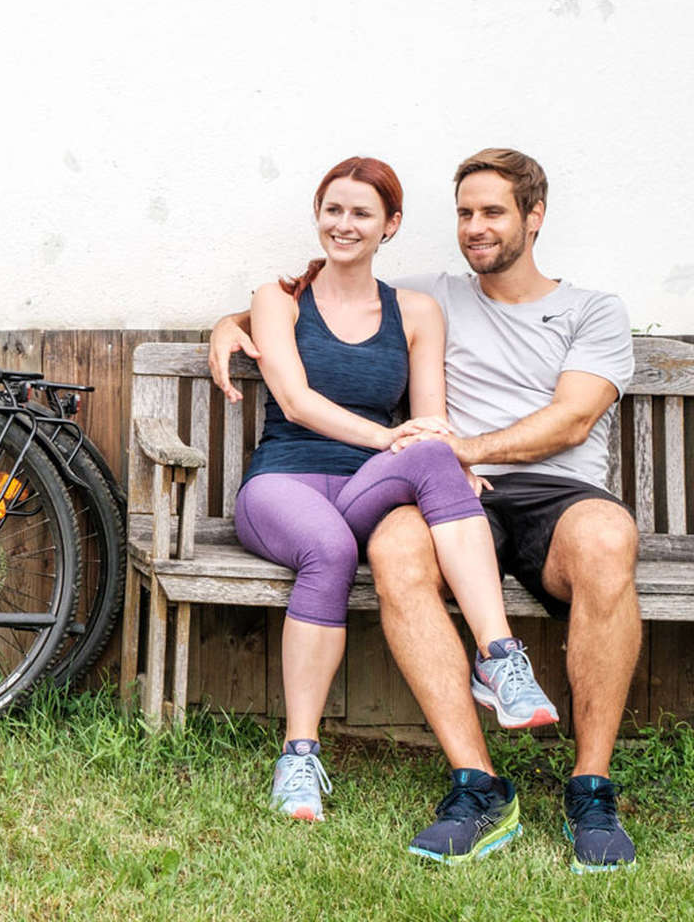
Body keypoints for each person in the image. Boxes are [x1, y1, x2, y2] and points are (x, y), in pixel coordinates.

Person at [210, 148, 637, 872]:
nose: (476, 226)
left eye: (493, 212)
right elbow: (309, 299)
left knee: (605, 539)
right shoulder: (427, 292)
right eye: (466, 212)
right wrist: (230, 321)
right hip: (420, 481)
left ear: (535, 218)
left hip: (541, 491)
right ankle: (477, 782)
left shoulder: (585, 309)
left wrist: (452, 449)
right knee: (389, 548)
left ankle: (589, 788)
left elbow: (568, 423)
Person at [233, 156, 556, 826]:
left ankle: (498, 658)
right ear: (318, 214)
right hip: (283, 485)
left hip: (360, 491)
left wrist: (442, 455)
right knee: (328, 549)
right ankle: (298, 756)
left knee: (435, 450)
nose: (343, 225)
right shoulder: (278, 300)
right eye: (333, 209)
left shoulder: (414, 311)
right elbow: (294, 402)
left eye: (361, 213)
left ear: (391, 226)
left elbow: (430, 421)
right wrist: (389, 439)